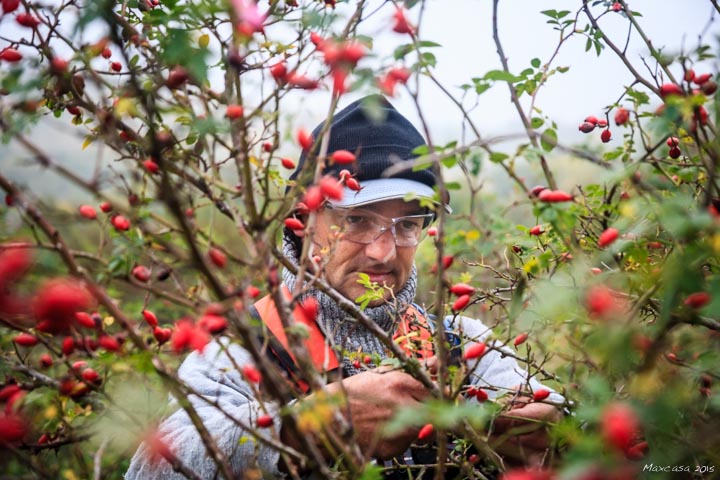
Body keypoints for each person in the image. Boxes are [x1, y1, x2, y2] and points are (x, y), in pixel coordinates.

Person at [125, 95, 563, 479]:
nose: (382, 251)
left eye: (407, 224)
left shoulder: (461, 344)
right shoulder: (239, 352)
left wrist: (551, 435)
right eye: (357, 220)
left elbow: (575, 431)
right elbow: (152, 469)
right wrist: (307, 427)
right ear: (302, 223)